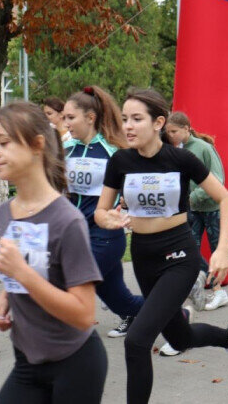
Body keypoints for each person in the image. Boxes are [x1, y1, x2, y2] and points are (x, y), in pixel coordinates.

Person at [95, 88, 228, 403]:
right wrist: (107, 219)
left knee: (137, 340)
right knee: (180, 338)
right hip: (143, 255)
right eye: (125, 119)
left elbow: (224, 198)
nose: (128, 126)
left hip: (178, 255)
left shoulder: (180, 158)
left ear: (158, 123)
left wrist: (221, 250)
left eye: (136, 119)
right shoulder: (121, 161)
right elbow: (101, 210)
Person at [0, 102, 107, 403]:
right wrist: (4, 299)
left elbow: (84, 314)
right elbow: (36, 268)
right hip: (27, 362)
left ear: (37, 145)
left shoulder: (67, 221)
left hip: (75, 364)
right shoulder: (2, 215)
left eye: (4, 143)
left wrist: (21, 273)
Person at [165, 112, 228, 312]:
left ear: (186, 128)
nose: (171, 136)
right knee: (190, 252)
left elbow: (217, 179)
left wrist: (192, 197)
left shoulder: (203, 148)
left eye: (174, 131)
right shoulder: (176, 150)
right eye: (168, 132)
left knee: (219, 252)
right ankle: (217, 290)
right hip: (192, 211)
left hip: (211, 208)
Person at [63, 86, 144, 338]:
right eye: (64, 118)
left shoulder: (113, 151)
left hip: (105, 236)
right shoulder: (67, 149)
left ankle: (62, 340)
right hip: (77, 235)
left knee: (73, 282)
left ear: (90, 118)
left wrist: (128, 207)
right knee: (119, 299)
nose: (66, 123)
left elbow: (136, 185)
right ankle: (174, 314)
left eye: (71, 117)